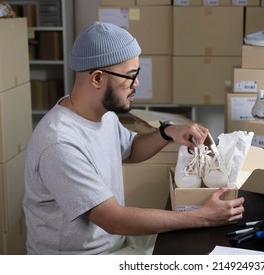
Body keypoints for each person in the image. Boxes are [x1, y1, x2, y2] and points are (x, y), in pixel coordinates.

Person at [23, 21, 245, 255]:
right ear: (97, 78)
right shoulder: (59, 143)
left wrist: (166, 132)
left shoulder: (101, 114)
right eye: (131, 75)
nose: (137, 82)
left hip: (115, 243)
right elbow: (114, 219)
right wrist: (203, 217)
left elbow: (130, 148)